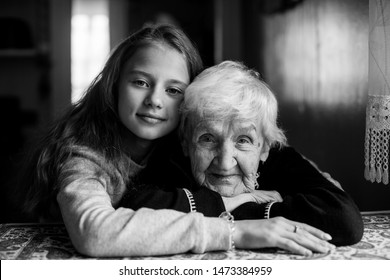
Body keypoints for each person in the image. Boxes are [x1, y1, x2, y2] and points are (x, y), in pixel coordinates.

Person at [11, 24, 338, 257]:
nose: (155, 100)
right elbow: (95, 234)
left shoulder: (183, 142)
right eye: (140, 82)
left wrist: (312, 176)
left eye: (173, 90)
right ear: (113, 85)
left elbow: (317, 183)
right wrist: (236, 228)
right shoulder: (84, 156)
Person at [122, 60, 364, 248]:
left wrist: (243, 215)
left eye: (243, 140)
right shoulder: (175, 157)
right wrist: (241, 203)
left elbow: (344, 220)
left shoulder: (279, 157)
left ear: (265, 146)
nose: (225, 162)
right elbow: (135, 208)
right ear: (186, 143)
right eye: (207, 139)